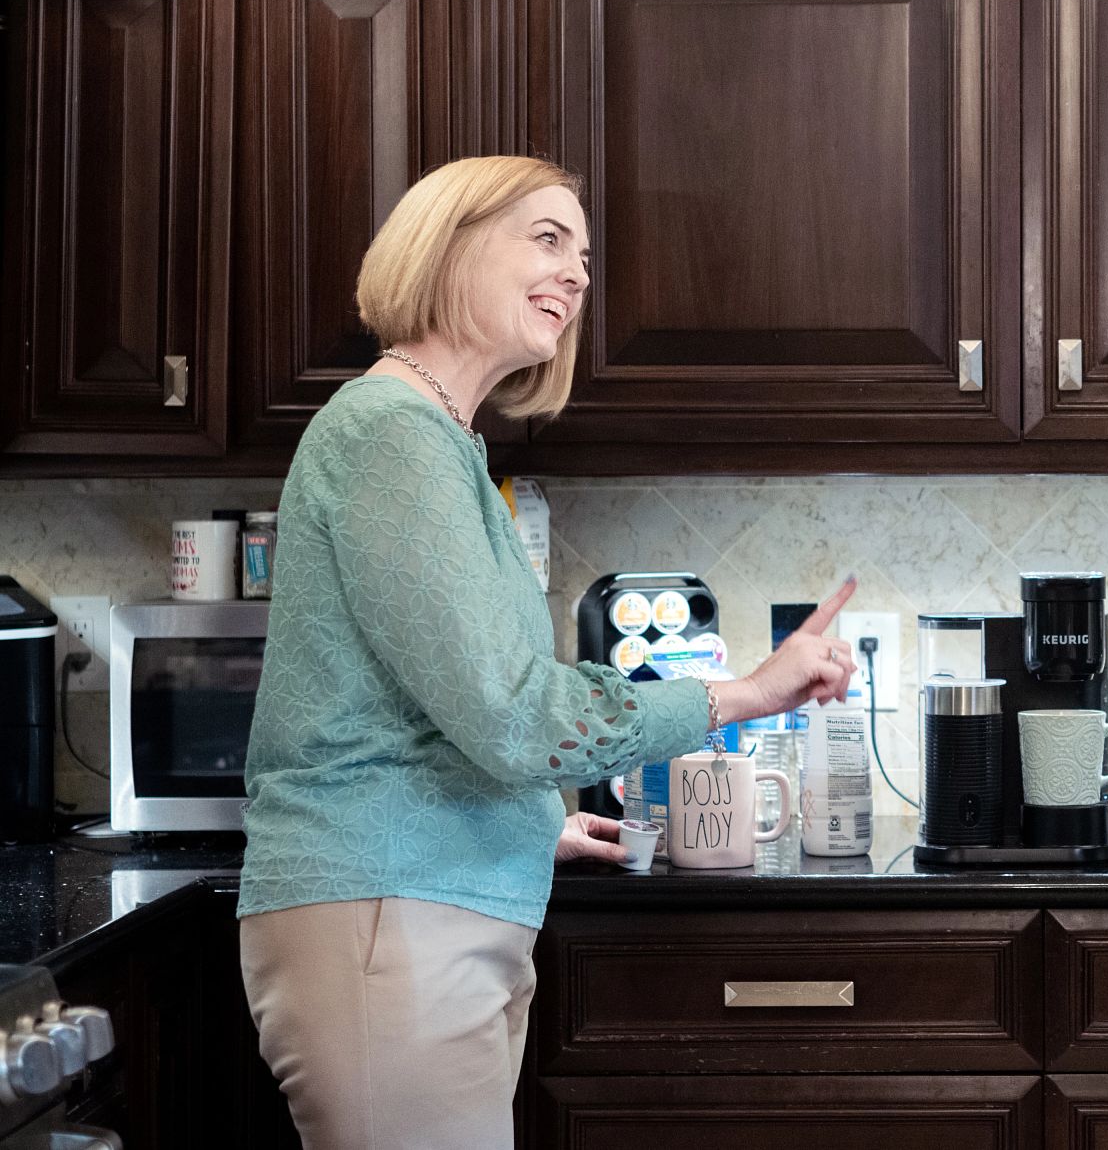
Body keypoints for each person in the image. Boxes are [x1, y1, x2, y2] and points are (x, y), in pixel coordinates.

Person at [236, 155, 858, 1150]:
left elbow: (440, 707)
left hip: (420, 903)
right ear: (447, 246)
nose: (575, 274)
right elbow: (515, 713)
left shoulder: (441, 442)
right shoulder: (393, 436)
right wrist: (741, 693)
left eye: (584, 254)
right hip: (387, 912)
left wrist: (518, 822)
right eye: (546, 238)